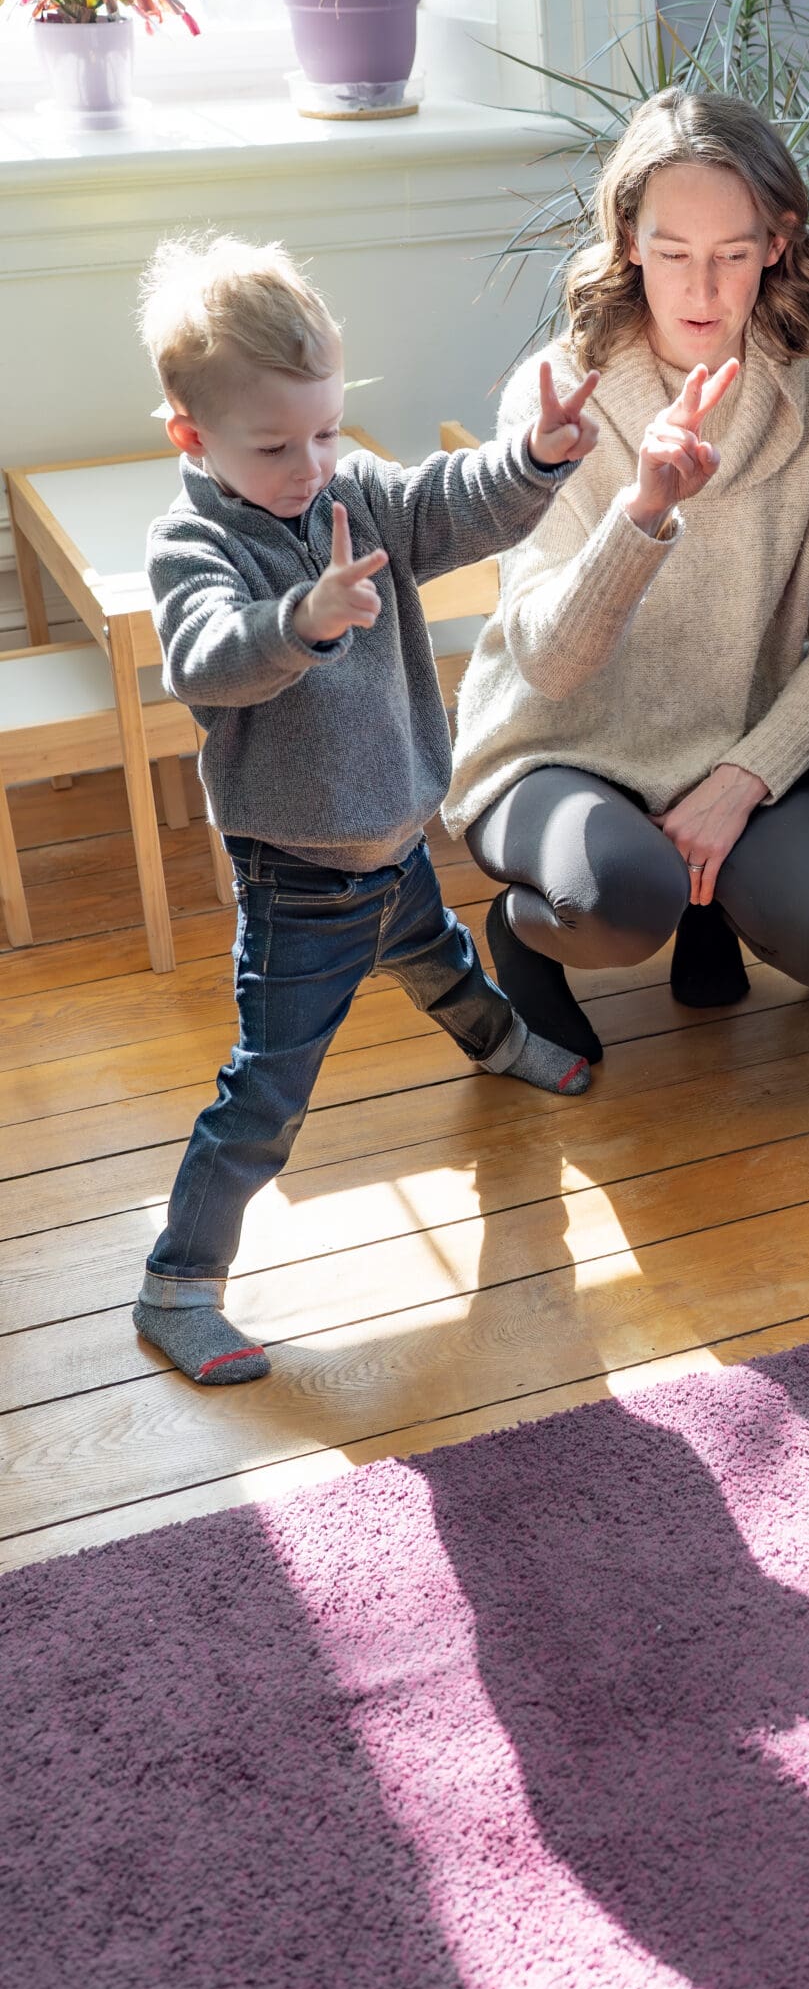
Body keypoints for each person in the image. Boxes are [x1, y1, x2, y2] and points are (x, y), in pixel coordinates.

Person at [132, 234, 599, 1387]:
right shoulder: (196, 543)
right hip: (299, 877)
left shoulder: (356, 492)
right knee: (268, 1091)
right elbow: (203, 660)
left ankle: (498, 1043)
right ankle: (177, 1281)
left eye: (328, 429)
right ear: (191, 436)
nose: (312, 464)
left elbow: (452, 503)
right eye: (277, 445)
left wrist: (534, 456)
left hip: (394, 838)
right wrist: (302, 618)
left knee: (436, 956)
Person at [442, 88, 809, 1069]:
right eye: (673, 250)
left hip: (716, 746)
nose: (702, 288)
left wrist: (746, 777)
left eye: (733, 252)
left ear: (778, 242)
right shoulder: (560, 395)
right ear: (630, 240)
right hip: (551, 748)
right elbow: (550, 665)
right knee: (618, 898)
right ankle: (524, 935)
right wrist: (641, 512)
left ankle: (707, 901)